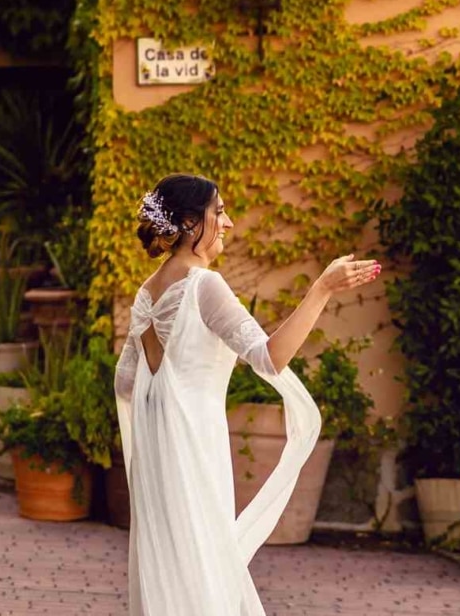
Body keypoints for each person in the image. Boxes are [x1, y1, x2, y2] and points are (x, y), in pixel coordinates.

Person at [113, 173, 381, 616]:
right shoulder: (204, 285)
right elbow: (269, 357)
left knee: (175, 560)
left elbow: (125, 382)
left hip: (157, 457)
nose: (229, 223)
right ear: (188, 222)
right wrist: (322, 289)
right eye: (218, 212)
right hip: (197, 448)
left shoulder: (147, 292)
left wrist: (167, 388)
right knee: (203, 563)